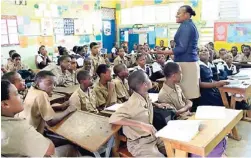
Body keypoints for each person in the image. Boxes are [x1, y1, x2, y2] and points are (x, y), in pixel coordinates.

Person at [109, 70, 166, 157]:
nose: (150, 80)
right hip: (139, 143)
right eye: (148, 78)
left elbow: (147, 103)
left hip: (152, 137)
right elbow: (113, 119)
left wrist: (157, 105)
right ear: (145, 84)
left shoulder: (144, 95)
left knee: (176, 148)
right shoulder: (132, 103)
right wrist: (141, 125)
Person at [154, 5, 200, 100]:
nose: (176, 15)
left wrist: (162, 51)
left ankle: (188, 114)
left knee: (187, 96)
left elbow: (181, 48)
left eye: (179, 13)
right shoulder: (188, 25)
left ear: (187, 14)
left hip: (186, 63)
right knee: (186, 96)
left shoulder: (186, 26)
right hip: (187, 62)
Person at [1, 80, 55, 157]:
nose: (21, 96)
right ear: (5, 104)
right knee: (71, 149)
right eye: (16, 94)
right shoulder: (19, 129)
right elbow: (50, 150)